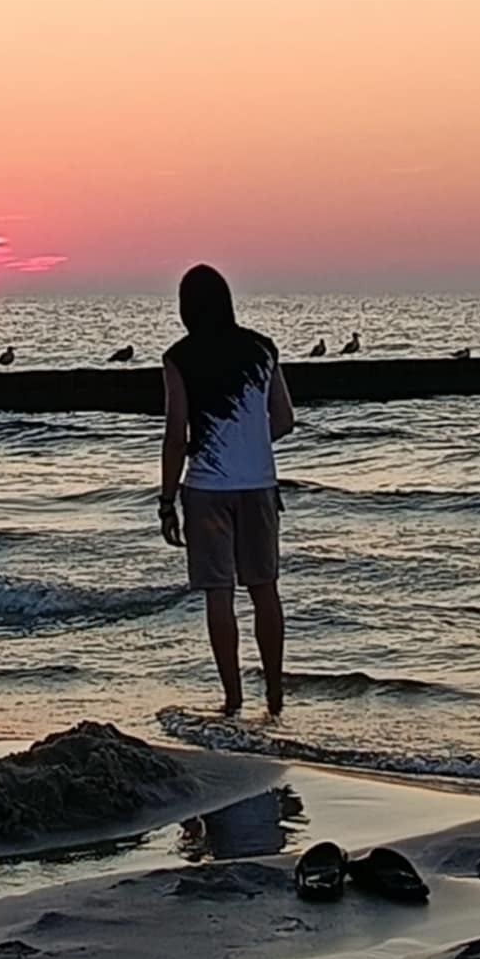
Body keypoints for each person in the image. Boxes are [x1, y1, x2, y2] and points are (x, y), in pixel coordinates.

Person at [159, 264, 294, 718]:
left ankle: (233, 699)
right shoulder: (262, 349)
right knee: (265, 590)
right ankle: (274, 695)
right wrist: (250, 444)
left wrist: (165, 501)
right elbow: (284, 419)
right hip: (258, 486)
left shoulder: (179, 358)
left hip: (207, 490)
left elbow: (176, 433)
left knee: (220, 595)